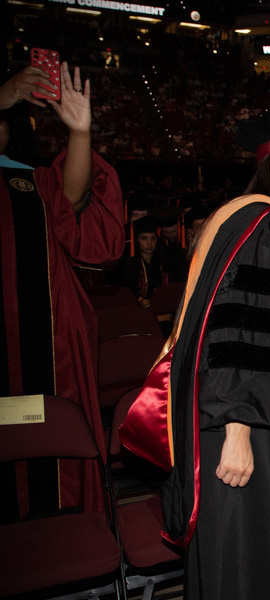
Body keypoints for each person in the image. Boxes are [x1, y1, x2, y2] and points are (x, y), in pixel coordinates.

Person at [161, 109, 270, 599]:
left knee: (230, 556)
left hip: (228, 417)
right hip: (250, 427)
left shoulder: (238, 215)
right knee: (255, 555)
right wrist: (238, 430)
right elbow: (244, 331)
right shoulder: (269, 224)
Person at [0, 61, 123, 519]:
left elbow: (70, 199)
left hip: (46, 346)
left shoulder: (28, 181)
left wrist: (80, 133)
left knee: (49, 456)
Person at [118, 215, 166, 306]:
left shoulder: (163, 261)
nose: (149, 243)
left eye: (153, 238)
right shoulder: (128, 264)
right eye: (144, 238)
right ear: (137, 240)